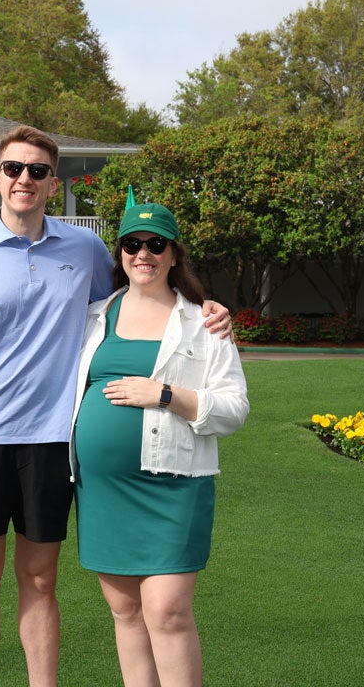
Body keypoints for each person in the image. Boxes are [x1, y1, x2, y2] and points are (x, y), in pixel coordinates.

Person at [0, 125, 232, 687]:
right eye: (14, 169)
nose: (25, 180)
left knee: (41, 580)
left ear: (52, 183)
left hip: (52, 443)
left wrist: (206, 308)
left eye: (37, 171)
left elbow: (143, 292)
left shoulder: (86, 249)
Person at [69, 203, 248, 687]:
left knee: (168, 612)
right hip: (103, 491)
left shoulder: (205, 324)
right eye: (132, 244)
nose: (142, 253)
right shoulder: (90, 317)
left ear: (173, 255)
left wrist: (166, 395)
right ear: (120, 254)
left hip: (174, 485)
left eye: (155, 244)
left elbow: (234, 410)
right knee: (126, 613)